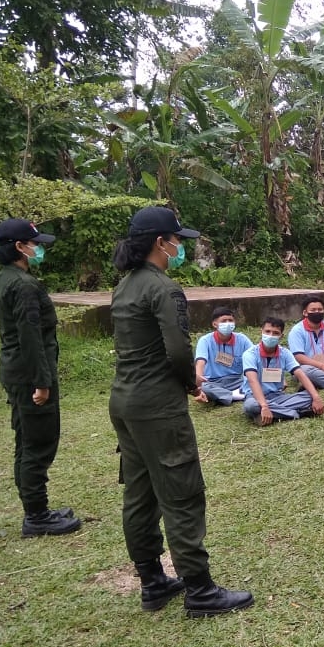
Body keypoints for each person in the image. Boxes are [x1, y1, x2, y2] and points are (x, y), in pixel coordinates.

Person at [110, 206, 252, 617]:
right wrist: (192, 383)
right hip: (158, 407)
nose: (179, 248)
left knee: (140, 494)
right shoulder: (163, 288)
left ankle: (152, 581)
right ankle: (200, 590)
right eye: (176, 241)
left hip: (125, 402)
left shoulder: (124, 286)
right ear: (161, 243)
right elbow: (176, 349)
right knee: (182, 493)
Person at [0, 218, 81, 538]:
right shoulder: (24, 285)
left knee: (26, 441)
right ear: (19, 246)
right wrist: (42, 383)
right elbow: (30, 338)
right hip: (30, 375)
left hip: (16, 371)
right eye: (35, 243)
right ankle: (37, 516)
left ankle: (36, 509)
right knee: (38, 444)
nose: (39, 248)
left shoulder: (5, 278)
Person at [242, 317, 324, 424]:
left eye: (275, 333)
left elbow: (300, 374)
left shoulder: (285, 353)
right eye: (267, 331)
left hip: (278, 396)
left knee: (309, 397)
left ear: (281, 336)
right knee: (251, 406)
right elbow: (252, 380)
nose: (271, 335)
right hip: (255, 397)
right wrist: (264, 406)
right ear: (261, 332)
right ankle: (298, 414)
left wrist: (316, 398)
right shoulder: (250, 354)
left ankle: (272, 414)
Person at [193, 307, 253, 405]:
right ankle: (235, 395)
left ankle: (224, 396)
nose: (228, 323)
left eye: (230, 320)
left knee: (254, 381)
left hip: (236, 381)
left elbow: (255, 357)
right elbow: (200, 361)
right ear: (214, 324)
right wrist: (198, 380)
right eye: (224, 321)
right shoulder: (205, 340)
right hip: (213, 382)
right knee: (204, 387)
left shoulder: (242, 339)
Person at [287, 296, 324, 389]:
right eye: (313, 310)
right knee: (303, 371)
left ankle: (314, 382)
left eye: (320, 309)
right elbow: (299, 357)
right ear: (305, 313)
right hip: (306, 366)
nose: (317, 312)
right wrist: (321, 366)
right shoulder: (297, 331)